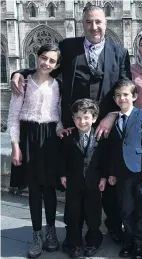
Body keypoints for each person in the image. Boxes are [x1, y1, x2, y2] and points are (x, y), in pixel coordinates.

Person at [10, 4, 130, 243]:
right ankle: (73, 233)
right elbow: (47, 68)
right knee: (74, 183)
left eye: (98, 22)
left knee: (106, 181)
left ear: (106, 23)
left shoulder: (119, 52)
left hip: (104, 128)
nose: (94, 27)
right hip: (72, 127)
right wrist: (20, 72)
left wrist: (112, 115)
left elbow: (126, 86)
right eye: (89, 22)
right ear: (82, 23)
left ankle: (111, 227)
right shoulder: (68, 47)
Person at [7, 43, 61, 258]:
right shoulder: (24, 83)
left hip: (50, 140)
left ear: (57, 65)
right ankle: (36, 234)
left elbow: (58, 116)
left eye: (52, 60)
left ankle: (51, 231)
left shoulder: (59, 85)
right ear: (37, 57)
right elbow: (13, 117)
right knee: (34, 191)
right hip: (29, 139)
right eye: (44, 58)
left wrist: (60, 132)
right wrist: (15, 146)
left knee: (49, 189)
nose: (46, 63)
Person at [107, 79, 142, 259]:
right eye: (118, 95)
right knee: (126, 209)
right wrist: (111, 172)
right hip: (121, 173)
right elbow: (113, 149)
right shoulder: (115, 119)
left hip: (140, 170)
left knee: (141, 209)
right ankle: (128, 242)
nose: (122, 98)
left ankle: (140, 245)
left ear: (134, 96)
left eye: (126, 95)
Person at [59, 99, 107, 258]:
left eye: (86, 117)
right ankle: (73, 243)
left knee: (93, 214)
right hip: (74, 182)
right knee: (73, 214)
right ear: (73, 119)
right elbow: (62, 158)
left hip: (93, 183)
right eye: (78, 118)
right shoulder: (68, 136)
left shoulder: (101, 136)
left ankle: (94, 240)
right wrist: (62, 174)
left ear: (94, 118)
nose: (82, 121)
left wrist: (104, 177)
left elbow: (105, 159)